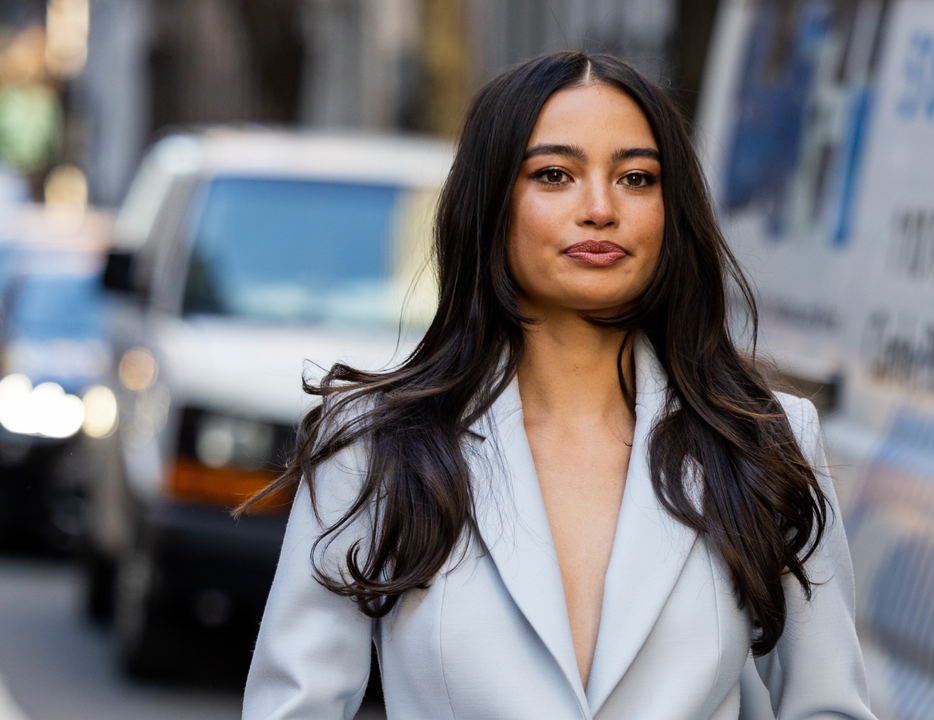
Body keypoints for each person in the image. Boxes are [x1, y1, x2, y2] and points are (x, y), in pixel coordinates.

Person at [240, 51, 874, 720]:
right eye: (554, 175)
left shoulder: (761, 440)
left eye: (635, 177)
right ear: (491, 202)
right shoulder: (374, 444)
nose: (599, 208)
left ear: (671, 208)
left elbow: (826, 705)